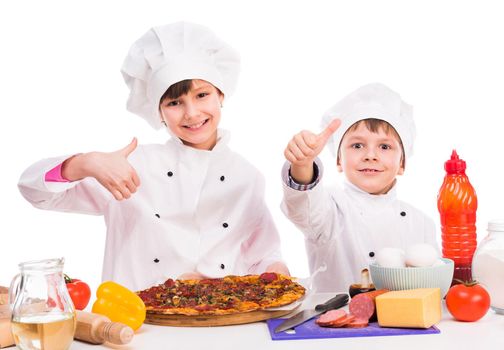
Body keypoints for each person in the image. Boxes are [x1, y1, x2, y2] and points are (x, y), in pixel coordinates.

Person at [18, 22, 288, 291]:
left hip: (221, 318)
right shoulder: (132, 167)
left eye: (202, 95)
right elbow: (35, 192)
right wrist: (85, 163)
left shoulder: (247, 176)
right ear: (158, 112)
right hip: (138, 323)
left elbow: (263, 255)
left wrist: (276, 269)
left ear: (221, 95)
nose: (191, 113)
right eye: (174, 103)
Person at [281, 83, 437, 292]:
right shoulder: (330, 210)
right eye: (357, 145)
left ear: (402, 163)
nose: (370, 155)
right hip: (336, 321)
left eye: (384, 146)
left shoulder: (422, 223)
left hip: (406, 323)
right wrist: (302, 163)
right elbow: (302, 207)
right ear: (338, 160)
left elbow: (433, 286)